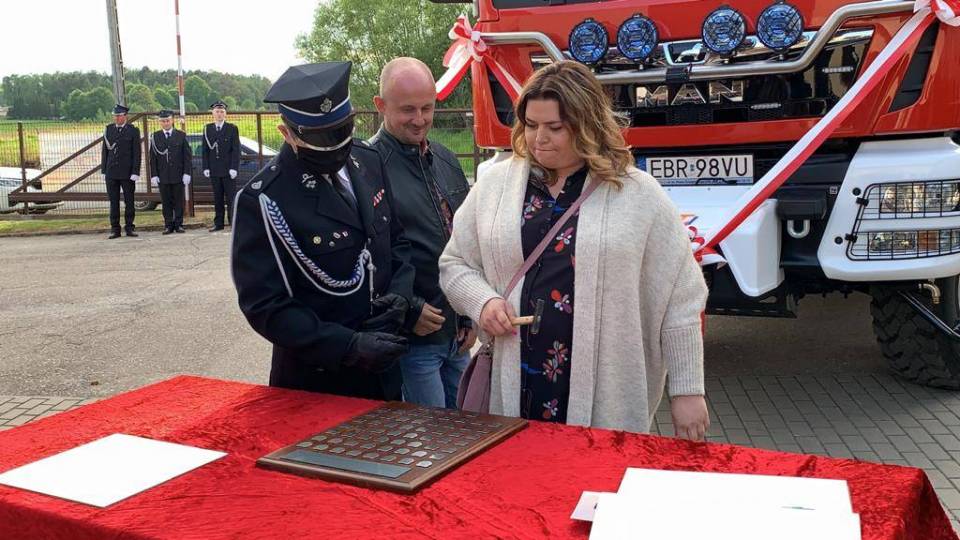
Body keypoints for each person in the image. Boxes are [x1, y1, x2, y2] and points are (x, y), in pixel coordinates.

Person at [439, 61, 710, 439]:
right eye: (530, 124)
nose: (539, 138)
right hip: (513, 388)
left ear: (586, 124)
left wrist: (687, 389)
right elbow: (455, 263)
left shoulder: (637, 193)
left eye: (554, 127)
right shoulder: (495, 185)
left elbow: (681, 297)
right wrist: (482, 302)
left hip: (606, 397)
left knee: (595, 475)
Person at [231, 61, 415, 399]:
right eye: (320, 140)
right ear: (287, 133)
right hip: (318, 381)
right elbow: (265, 305)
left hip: (384, 371)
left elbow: (396, 241)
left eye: (342, 132)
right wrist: (347, 346)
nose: (335, 149)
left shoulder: (368, 160)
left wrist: (401, 295)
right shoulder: (265, 199)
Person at [369, 58, 475, 409]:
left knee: (470, 431)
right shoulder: (365, 167)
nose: (419, 119)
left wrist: (470, 310)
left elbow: (466, 239)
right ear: (381, 105)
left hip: (458, 334)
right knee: (430, 438)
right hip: (413, 341)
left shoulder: (445, 159)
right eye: (408, 110)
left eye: (427, 108)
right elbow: (366, 259)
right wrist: (409, 309)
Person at [100, 104, 141, 239]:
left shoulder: (133, 131)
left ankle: (129, 227)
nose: (116, 118)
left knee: (129, 201)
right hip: (112, 171)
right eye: (115, 116)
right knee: (114, 202)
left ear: (125, 116)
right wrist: (104, 170)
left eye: (119, 116)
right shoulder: (109, 130)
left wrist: (135, 171)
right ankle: (115, 229)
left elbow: (137, 153)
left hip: (127, 172)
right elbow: (105, 152)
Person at [149, 110, 191, 234]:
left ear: (172, 120)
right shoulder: (155, 136)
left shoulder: (181, 135)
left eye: (167, 120)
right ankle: (168, 225)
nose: (165, 123)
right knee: (166, 202)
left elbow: (187, 156)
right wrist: (154, 174)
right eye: (163, 121)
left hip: (178, 174)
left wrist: (186, 173)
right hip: (163, 175)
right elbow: (153, 157)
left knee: (178, 201)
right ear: (160, 122)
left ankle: (179, 224)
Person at [202, 100, 241, 232]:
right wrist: (206, 167)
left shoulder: (232, 128)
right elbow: (205, 150)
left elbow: (236, 149)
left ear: (225, 114)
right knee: (217, 198)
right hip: (214, 169)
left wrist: (234, 167)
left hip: (228, 170)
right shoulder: (207, 129)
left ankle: (233, 222)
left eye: (222, 112)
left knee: (231, 198)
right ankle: (218, 223)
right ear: (213, 113)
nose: (219, 114)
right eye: (217, 111)